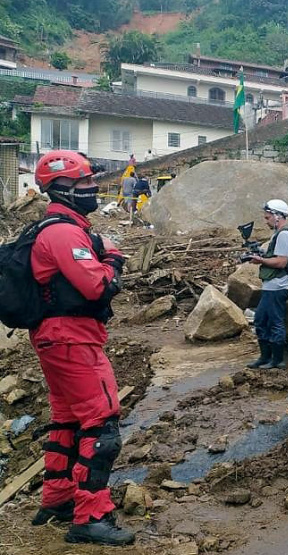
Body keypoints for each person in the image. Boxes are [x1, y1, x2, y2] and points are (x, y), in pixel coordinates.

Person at [29, 150, 134, 546]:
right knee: (102, 423)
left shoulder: (60, 228)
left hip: (57, 337)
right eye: (86, 182)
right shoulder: (63, 232)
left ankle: (57, 498)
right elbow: (98, 286)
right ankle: (91, 516)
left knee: (68, 420)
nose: (93, 188)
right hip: (72, 338)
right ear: (64, 188)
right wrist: (114, 260)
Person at [245, 199, 288, 370]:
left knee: (274, 321)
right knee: (261, 320)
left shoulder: (284, 235)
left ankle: (277, 360)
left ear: (277, 216)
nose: (266, 220)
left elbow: (281, 262)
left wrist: (260, 259)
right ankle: (265, 357)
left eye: (268, 217)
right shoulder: (280, 233)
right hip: (272, 285)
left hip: (278, 286)